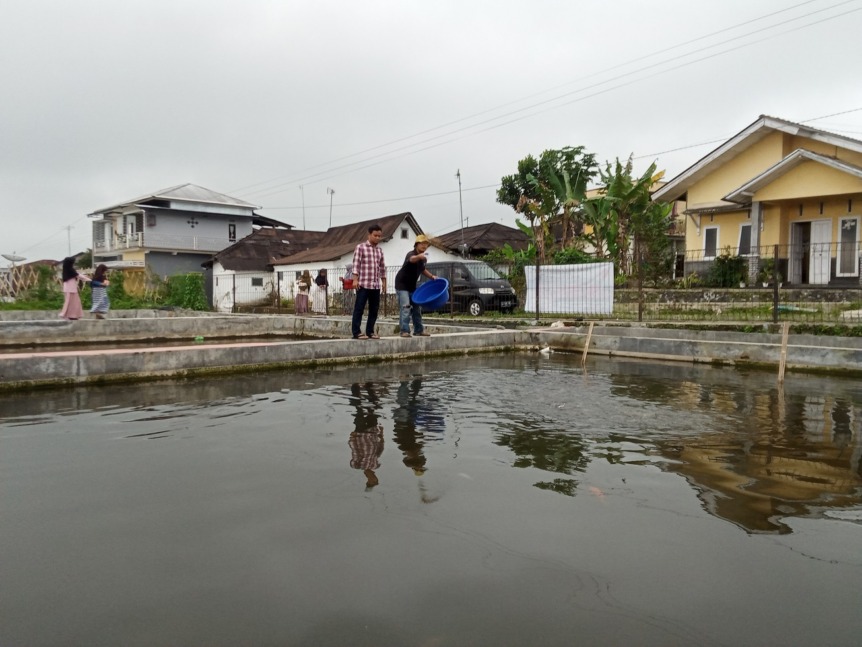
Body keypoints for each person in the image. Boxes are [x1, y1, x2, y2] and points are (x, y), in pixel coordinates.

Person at [394, 234, 437, 338]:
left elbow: (422, 269)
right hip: (402, 284)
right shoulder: (411, 254)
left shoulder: (423, 258)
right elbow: (412, 259)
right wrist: (419, 256)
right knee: (406, 307)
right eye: (422, 244)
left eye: (426, 244)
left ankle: (418, 330)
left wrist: (432, 276)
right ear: (416, 245)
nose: (424, 246)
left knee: (417, 308)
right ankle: (404, 331)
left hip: (412, 286)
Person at [351, 224, 386, 339]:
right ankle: (356, 332)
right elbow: (356, 264)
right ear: (369, 235)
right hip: (363, 284)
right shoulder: (361, 247)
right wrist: (355, 279)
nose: (377, 238)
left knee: (374, 310)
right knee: (359, 308)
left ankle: (370, 331)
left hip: (375, 285)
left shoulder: (380, 251)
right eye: (375, 235)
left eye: (379, 236)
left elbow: (382, 267)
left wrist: (384, 282)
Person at [348, 382, 385, 489]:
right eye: (375, 479)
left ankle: (355, 389)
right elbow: (379, 449)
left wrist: (352, 438)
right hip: (372, 432)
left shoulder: (357, 465)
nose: (374, 477)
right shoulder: (375, 465)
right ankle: (369, 388)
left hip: (360, 434)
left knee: (359, 410)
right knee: (372, 409)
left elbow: (354, 451)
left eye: (373, 480)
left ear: (368, 480)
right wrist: (381, 435)